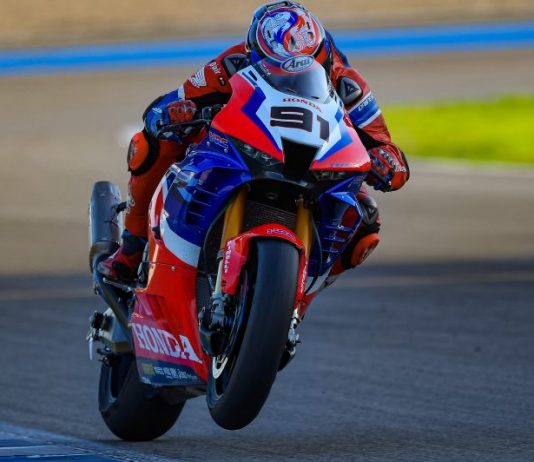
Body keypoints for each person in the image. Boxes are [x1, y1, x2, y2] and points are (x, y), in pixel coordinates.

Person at [98, 1, 410, 284]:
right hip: (240, 148)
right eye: (277, 68)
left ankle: (300, 293)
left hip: (316, 161)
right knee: (152, 145)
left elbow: (384, 147)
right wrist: (177, 112)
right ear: (254, 55)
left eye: (300, 68)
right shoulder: (231, 63)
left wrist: (387, 161)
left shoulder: (348, 84)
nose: (291, 76)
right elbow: (168, 106)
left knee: (365, 221)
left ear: (323, 56)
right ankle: (131, 248)